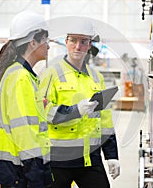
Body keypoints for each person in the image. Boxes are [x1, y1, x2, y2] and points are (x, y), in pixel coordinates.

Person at [39, 18, 120, 188]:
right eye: (73, 40)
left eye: (83, 41)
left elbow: (105, 120)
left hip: (89, 159)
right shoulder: (51, 73)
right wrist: (76, 110)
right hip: (58, 160)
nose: (78, 46)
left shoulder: (96, 77)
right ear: (66, 42)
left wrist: (111, 155)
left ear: (90, 44)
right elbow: (43, 111)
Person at [0, 11, 52, 188]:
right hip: (22, 169)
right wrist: (36, 175)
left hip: (19, 167)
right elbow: (24, 130)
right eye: (45, 40)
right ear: (33, 42)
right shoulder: (20, 78)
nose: (48, 46)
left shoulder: (21, 74)